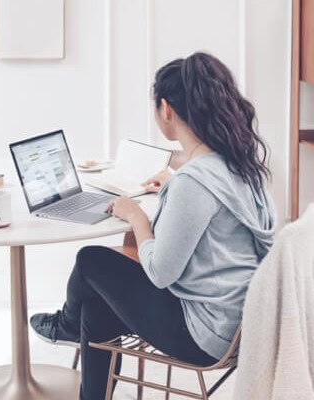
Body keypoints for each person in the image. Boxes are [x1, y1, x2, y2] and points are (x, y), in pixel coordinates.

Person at [30, 52, 276, 400]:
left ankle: (65, 326)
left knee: (90, 261)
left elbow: (161, 272)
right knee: (97, 300)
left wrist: (136, 216)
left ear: (166, 109)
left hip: (205, 334)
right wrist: (173, 187)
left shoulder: (195, 183)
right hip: (241, 323)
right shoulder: (241, 165)